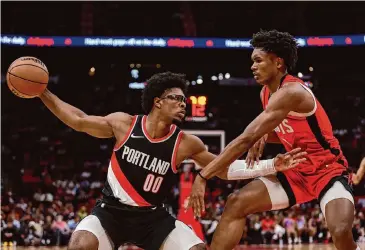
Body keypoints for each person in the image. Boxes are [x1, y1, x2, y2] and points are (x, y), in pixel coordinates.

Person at [30, 71, 307, 250]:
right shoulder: (123, 124)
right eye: (176, 98)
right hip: (110, 213)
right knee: (80, 245)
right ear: (157, 101)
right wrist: (43, 92)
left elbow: (222, 170)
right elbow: (78, 120)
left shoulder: (186, 142)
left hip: (153, 218)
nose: (183, 103)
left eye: (184, 99)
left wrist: (271, 165)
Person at [187, 30, 359, 250]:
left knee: (340, 231)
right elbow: (289, 132)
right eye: (252, 61)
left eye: (258, 60)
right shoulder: (265, 94)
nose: (252, 66)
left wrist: (204, 175)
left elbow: (246, 138)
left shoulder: (293, 91)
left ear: (278, 63)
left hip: (327, 170)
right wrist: (267, 136)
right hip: (296, 172)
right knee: (236, 203)